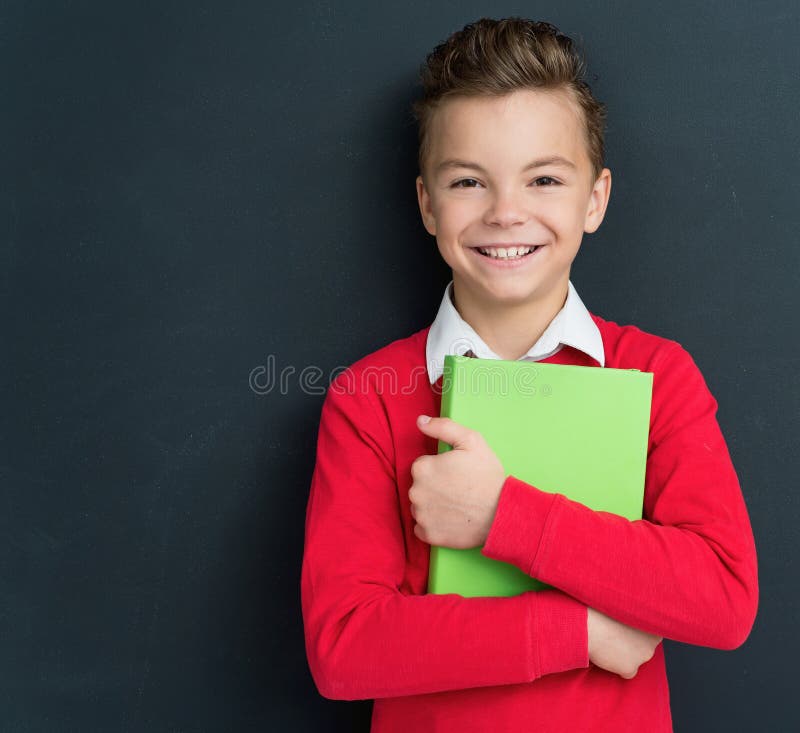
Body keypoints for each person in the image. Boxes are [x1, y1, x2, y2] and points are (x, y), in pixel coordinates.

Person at [301, 17, 758, 732]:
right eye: (467, 181)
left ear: (595, 199)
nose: (506, 212)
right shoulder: (371, 397)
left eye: (543, 178)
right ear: (427, 203)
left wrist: (502, 515)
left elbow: (724, 599)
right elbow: (343, 646)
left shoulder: (657, 374)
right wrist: (577, 633)